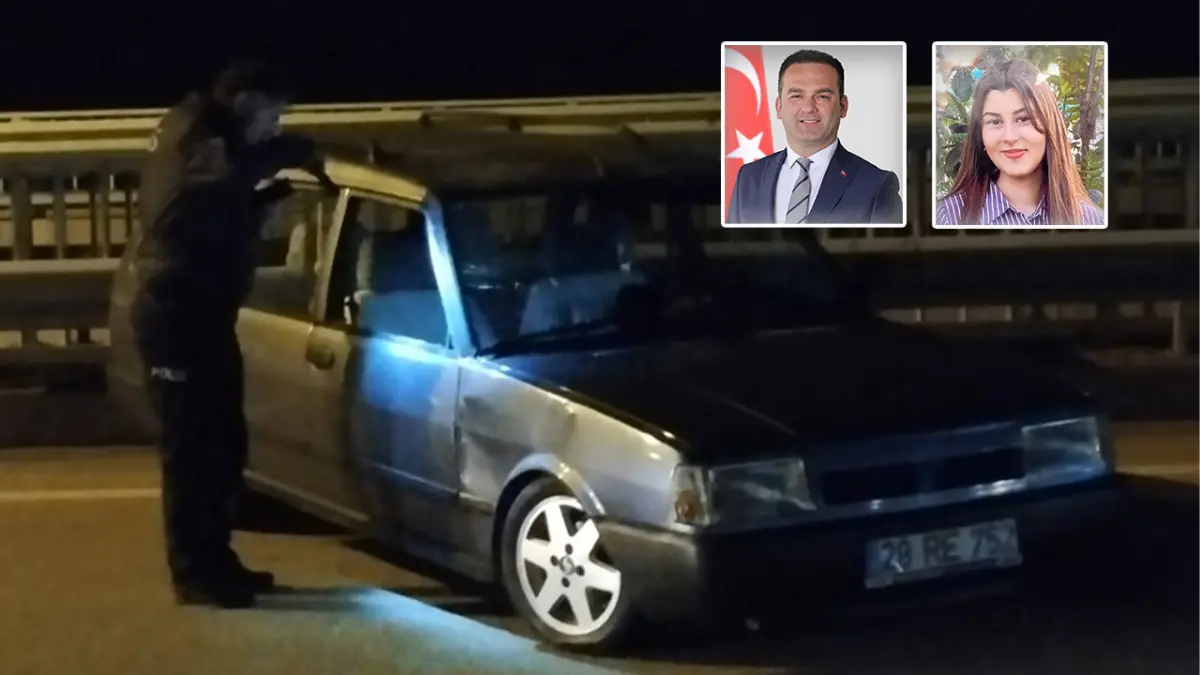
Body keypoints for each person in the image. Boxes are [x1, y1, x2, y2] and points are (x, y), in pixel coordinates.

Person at [130, 58, 322, 608]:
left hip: (204, 313)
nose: (275, 127)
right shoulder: (198, 133)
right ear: (245, 103)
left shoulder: (204, 132)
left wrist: (264, 201)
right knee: (190, 449)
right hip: (175, 314)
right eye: (273, 116)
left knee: (221, 441)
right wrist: (299, 151)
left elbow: (206, 204)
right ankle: (194, 571)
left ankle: (216, 558)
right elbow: (230, 171)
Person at [725, 49, 904, 226]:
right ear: (779, 107)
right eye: (796, 96)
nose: (809, 107)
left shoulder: (877, 185)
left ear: (843, 106)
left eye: (822, 97)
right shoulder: (748, 178)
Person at [935, 58, 1104, 227]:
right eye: (995, 122)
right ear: (980, 135)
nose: (1009, 137)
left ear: (1050, 125)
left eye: (1023, 119)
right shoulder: (951, 216)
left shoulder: (1090, 220)